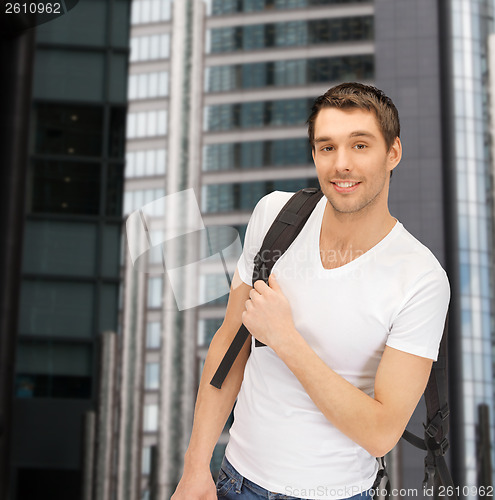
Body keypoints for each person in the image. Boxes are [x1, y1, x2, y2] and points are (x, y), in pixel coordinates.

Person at [171, 82, 450, 500]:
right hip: (233, 481)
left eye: (360, 146)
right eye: (326, 147)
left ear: (393, 152)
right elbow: (230, 345)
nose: (341, 164)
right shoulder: (275, 216)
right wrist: (196, 467)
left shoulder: (421, 279)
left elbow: (380, 434)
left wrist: (286, 339)